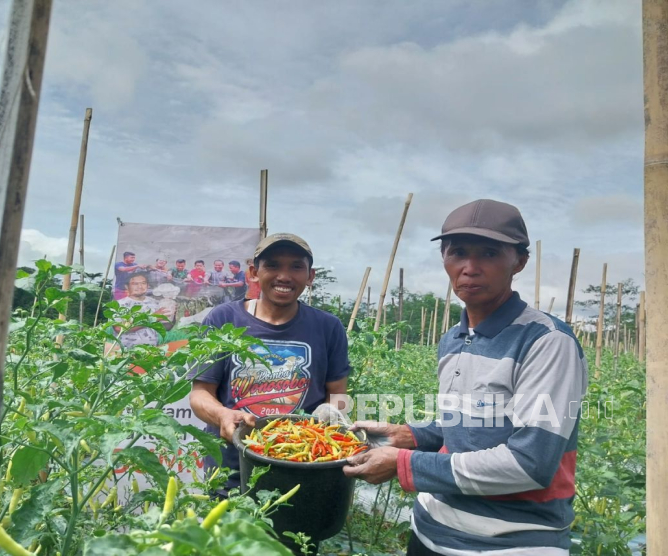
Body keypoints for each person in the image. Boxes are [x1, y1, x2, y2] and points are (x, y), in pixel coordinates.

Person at [342, 199, 588, 556]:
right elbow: (468, 423)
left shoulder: (547, 342)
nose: (470, 268)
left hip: (512, 544)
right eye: (457, 253)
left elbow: (529, 464)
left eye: (489, 253)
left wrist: (403, 463)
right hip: (430, 531)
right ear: (444, 259)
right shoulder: (453, 339)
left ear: (519, 261)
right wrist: (409, 435)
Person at [190, 233, 351, 494]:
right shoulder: (224, 319)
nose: (284, 276)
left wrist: (330, 415)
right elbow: (200, 394)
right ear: (254, 272)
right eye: (273, 265)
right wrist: (222, 415)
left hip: (301, 466)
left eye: (296, 267)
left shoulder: (327, 327)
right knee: (228, 533)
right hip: (233, 469)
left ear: (310, 277)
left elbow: (339, 395)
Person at [116, 272, 174, 348]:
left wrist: (172, 315)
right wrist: (153, 318)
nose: (140, 286)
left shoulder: (155, 303)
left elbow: (166, 327)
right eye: (135, 284)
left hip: (150, 351)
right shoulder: (119, 305)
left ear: (147, 285)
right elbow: (119, 328)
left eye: (143, 283)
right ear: (127, 286)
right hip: (126, 351)